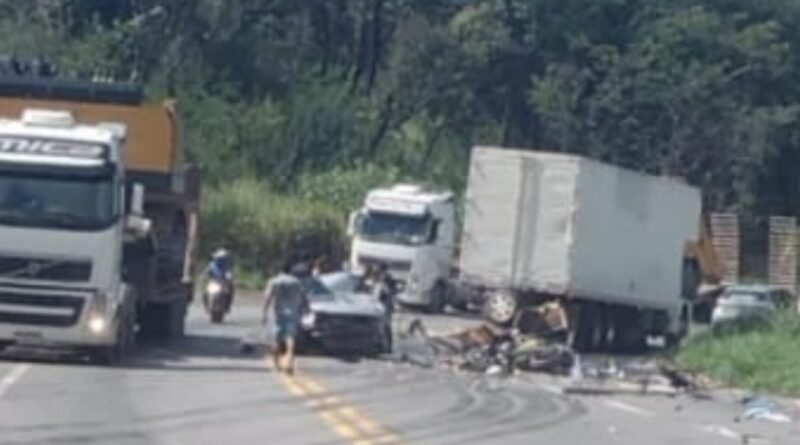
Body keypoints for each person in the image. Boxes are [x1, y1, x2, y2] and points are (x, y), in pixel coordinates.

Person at [262, 260, 309, 375]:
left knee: (276, 340)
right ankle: (289, 361)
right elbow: (303, 298)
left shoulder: (274, 281)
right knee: (290, 339)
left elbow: (268, 298)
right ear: (291, 270)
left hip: (279, 314)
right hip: (293, 313)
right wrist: (306, 310)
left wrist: (264, 313)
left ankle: (276, 364)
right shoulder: (297, 282)